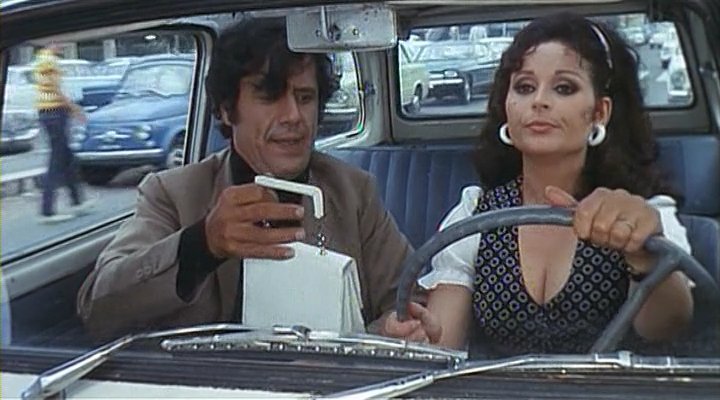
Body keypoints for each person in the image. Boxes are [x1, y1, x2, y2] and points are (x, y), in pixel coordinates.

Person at [76, 19, 412, 339]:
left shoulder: (353, 191)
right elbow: (98, 310)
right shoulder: (173, 193)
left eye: (305, 97)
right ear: (226, 109)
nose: (293, 116)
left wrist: (386, 332)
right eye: (269, 96)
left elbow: (407, 300)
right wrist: (202, 244)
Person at [383, 12, 694, 355]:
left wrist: (644, 254)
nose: (539, 101)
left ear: (599, 112)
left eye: (564, 88)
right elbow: (443, 346)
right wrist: (416, 336)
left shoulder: (642, 214)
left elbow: (666, 325)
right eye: (525, 87)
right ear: (507, 107)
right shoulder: (475, 214)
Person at [33, 45, 92, 223]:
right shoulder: (48, 61)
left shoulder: (42, 59)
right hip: (54, 112)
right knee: (57, 159)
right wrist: (74, 108)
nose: (63, 45)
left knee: (66, 157)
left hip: (49, 112)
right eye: (59, 43)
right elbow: (56, 89)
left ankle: (77, 200)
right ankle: (47, 210)